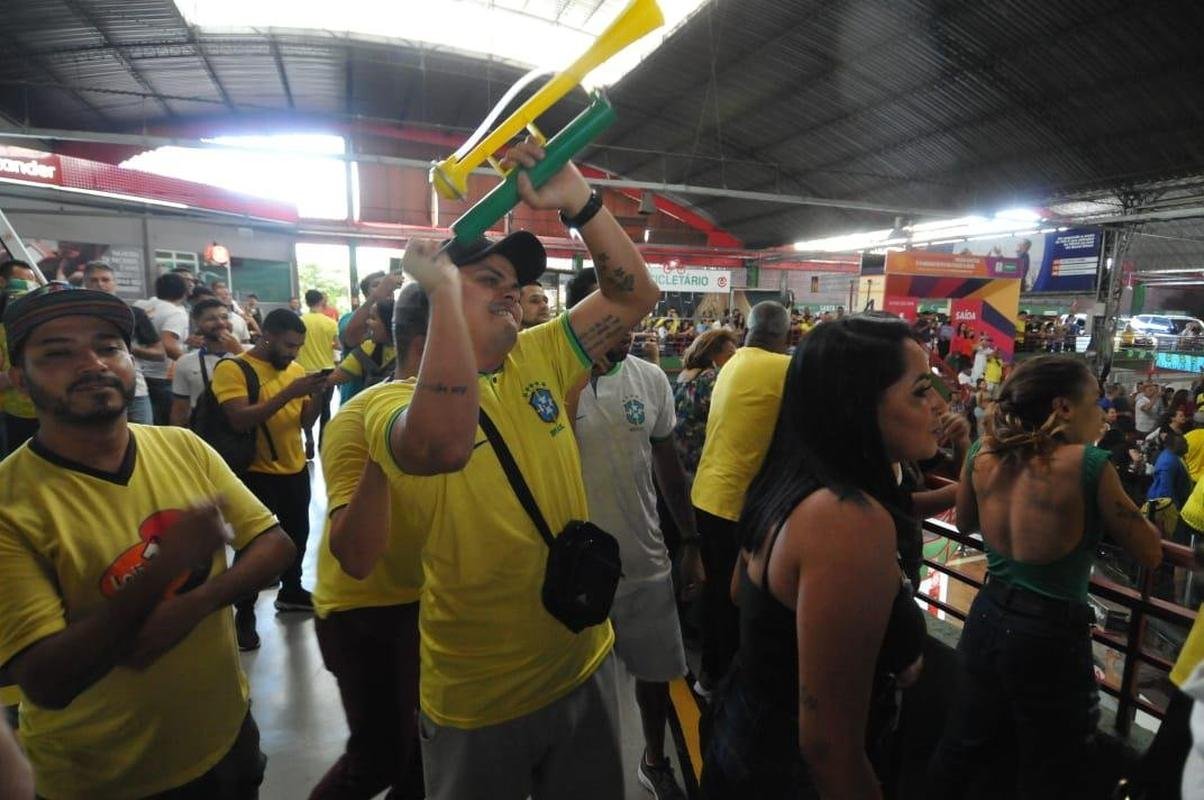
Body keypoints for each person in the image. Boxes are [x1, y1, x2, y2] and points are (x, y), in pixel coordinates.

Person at [361, 140, 658, 800]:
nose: (511, 294)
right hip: (479, 698)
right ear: (438, 291)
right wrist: (440, 297)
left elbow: (635, 295)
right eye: (486, 281)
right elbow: (441, 448)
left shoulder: (543, 354)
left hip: (581, 657)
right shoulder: (381, 406)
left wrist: (580, 202)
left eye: (514, 283)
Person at [0, 284, 296, 798]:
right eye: (58, 354)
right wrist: (164, 569)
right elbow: (48, 681)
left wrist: (195, 603)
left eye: (109, 347)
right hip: (103, 776)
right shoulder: (10, 504)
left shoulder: (181, 446)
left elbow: (274, 544)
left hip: (226, 736)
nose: (92, 363)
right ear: (19, 382)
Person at [701, 314, 932, 799]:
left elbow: (740, 592)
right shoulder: (847, 520)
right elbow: (829, 749)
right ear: (858, 406)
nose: (938, 404)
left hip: (741, 738)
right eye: (920, 390)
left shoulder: (786, 478)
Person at [929, 356, 1162, 798]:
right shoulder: (1089, 464)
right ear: (1064, 406)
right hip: (1051, 635)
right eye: (1095, 402)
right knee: (1053, 765)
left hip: (988, 616)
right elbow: (1149, 552)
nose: (1103, 415)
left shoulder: (983, 451)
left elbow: (962, 523)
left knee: (964, 743)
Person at [566, 269, 705, 800]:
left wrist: (689, 544)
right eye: (616, 323)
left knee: (654, 676)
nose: (628, 334)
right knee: (576, 688)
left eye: (633, 323)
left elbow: (668, 469)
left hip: (643, 559)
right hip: (569, 567)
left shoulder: (649, 379)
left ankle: (653, 757)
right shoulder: (546, 381)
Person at [310, 285, 430, 800]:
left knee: (424, 758)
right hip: (370, 611)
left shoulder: (485, 403)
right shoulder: (364, 416)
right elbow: (355, 553)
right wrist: (389, 450)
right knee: (380, 755)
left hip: (434, 601)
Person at [212, 309, 330, 648]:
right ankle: (244, 613)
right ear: (267, 335)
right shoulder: (234, 369)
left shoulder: (294, 371)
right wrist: (288, 393)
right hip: (254, 473)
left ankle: (292, 590)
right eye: (288, 345)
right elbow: (239, 420)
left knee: (297, 536)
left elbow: (305, 422)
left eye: (298, 347)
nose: (293, 354)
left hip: (293, 469)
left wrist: (318, 392)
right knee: (253, 548)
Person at [690, 301, 791, 695]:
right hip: (739, 502)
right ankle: (729, 681)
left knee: (718, 593)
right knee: (739, 599)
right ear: (784, 336)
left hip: (708, 493)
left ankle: (709, 677)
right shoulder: (782, 368)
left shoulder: (732, 363)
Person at [83, 261, 164, 425]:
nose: (100, 284)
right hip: (91, 390)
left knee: (144, 442)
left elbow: (160, 354)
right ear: (86, 284)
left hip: (135, 391)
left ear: (114, 283)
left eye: (105, 280)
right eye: (94, 280)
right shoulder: (77, 317)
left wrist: (123, 349)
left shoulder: (133, 314)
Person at [672, 328, 739, 481]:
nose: (735, 360)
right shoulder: (711, 379)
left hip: (680, 462)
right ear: (711, 355)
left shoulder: (684, 376)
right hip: (702, 465)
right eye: (730, 355)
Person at [169, 298, 244, 425]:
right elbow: (180, 409)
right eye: (211, 319)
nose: (220, 323)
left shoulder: (249, 352)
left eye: (225, 317)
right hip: (205, 430)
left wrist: (238, 351)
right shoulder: (185, 362)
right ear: (197, 323)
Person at [0, 260, 45, 453]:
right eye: (21, 282)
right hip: (11, 419)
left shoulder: (49, 328)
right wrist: (18, 376)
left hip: (51, 414)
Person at [135, 272, 190, 425]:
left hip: (139, 374)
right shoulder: (176, 312)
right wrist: (192, 364)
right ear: (183, 292)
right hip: (162, 377)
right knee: (166, 426)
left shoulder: (140, 305)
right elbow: (169, 346)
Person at [297, 289, 340, 458]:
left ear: (306, 302)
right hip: (326, 370)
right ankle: (324, 443)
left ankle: (308, 438)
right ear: (322, 301)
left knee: (305, 407)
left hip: (303, 370)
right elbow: (337, 345)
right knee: (325, 408)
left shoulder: (300, 321)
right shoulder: (330, 322)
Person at [329, 297, 396, 404]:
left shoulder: (414, 351)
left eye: (373, 318)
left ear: (389, 322)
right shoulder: (368, 349)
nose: (368, 322)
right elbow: (334, 378)